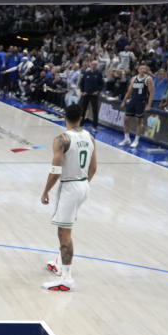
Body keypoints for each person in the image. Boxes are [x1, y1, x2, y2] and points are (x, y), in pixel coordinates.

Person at [41, 104, 97, 291]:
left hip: (70, 187)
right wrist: (84, 184)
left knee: (64, 233)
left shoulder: (61, 139)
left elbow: (56, 171)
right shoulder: (90, 137)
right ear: (81, 118)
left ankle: (66, 277)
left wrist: (46, 191)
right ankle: (59, 262)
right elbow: (93, 168)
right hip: (83, 185)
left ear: (64, 117)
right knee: (66, 228)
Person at [119, 64, 153, 148]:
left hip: (141, 102)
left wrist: (149, 105)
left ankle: (136, 140)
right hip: (132, 101)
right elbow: (129, 91)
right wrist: (124, 101)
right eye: (141, 68)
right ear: (138, 70)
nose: (143, 70)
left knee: (138, 121)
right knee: (126, 119)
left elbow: (151, 93)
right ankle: (126, 138)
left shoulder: (148, 79)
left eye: (144, 68)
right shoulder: (134, 78)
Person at [78, 60, 103, 132]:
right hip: (86, 95)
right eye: (92, 64)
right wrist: (82, 91)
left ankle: (95, 126)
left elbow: (102, 85)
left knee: (95, 111)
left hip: (94, 95)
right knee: (83, 110)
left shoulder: (98, 74)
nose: (94, 66)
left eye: (95, 64)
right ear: (90, 65)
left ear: (97, 65)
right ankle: (80, 124)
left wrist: (98, 91)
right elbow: (81, 83)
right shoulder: (86, 73)